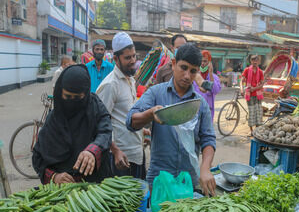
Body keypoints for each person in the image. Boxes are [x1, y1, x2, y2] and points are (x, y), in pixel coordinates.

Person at [126, 43, 217, 196]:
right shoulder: (156, 93)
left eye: (193, 71)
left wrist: (205, 168)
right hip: (159, 180)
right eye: (183, 68)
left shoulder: (200, 104)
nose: (187, 76)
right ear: (174, 64)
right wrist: (149, 114)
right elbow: (130, 121)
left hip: (188, 181)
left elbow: (208, 139)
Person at [32, 64, 113, 184]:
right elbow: (38, 157)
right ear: (60, 93)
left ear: (85, 95)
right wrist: (54, 177)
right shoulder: (53, 119)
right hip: (62, 191)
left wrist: (93, 150)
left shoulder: (95, 106)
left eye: (78, 97)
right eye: (68, 96)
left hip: (94, 187)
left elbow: (105, 131)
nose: (72, 102)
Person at [97, 32, 150, 179]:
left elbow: (125, 115)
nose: (133, 61)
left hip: (137, 152)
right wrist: (115, 151)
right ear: (115, 59)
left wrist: (142, 130)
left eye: (134, 56)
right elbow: (100, 124)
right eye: (127, 58)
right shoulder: (110, 85)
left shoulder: (130, 79)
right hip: (121, 158)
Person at [193, 50, 221, 120]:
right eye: (201, 61)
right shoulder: (194, 75)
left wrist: (211, 73)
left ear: (209, 62)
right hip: (195, 110)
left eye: (205, 61)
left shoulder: (214, 77)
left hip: (208, 110)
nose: (202, 63)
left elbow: (216, 90)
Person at [240, 54, 265, 135]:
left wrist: (254, 89)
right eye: (253, 60)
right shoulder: (247, 70)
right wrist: (241, 89)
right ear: (251, 61)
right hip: (249, 95)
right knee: (251, 112)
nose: (255, 62)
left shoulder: (260, 72)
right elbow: (242, 81)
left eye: (256, 60)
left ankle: (257, 129)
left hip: (258, 94)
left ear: (259, 62)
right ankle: (251, 131)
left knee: (258, 112)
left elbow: (261, 85)